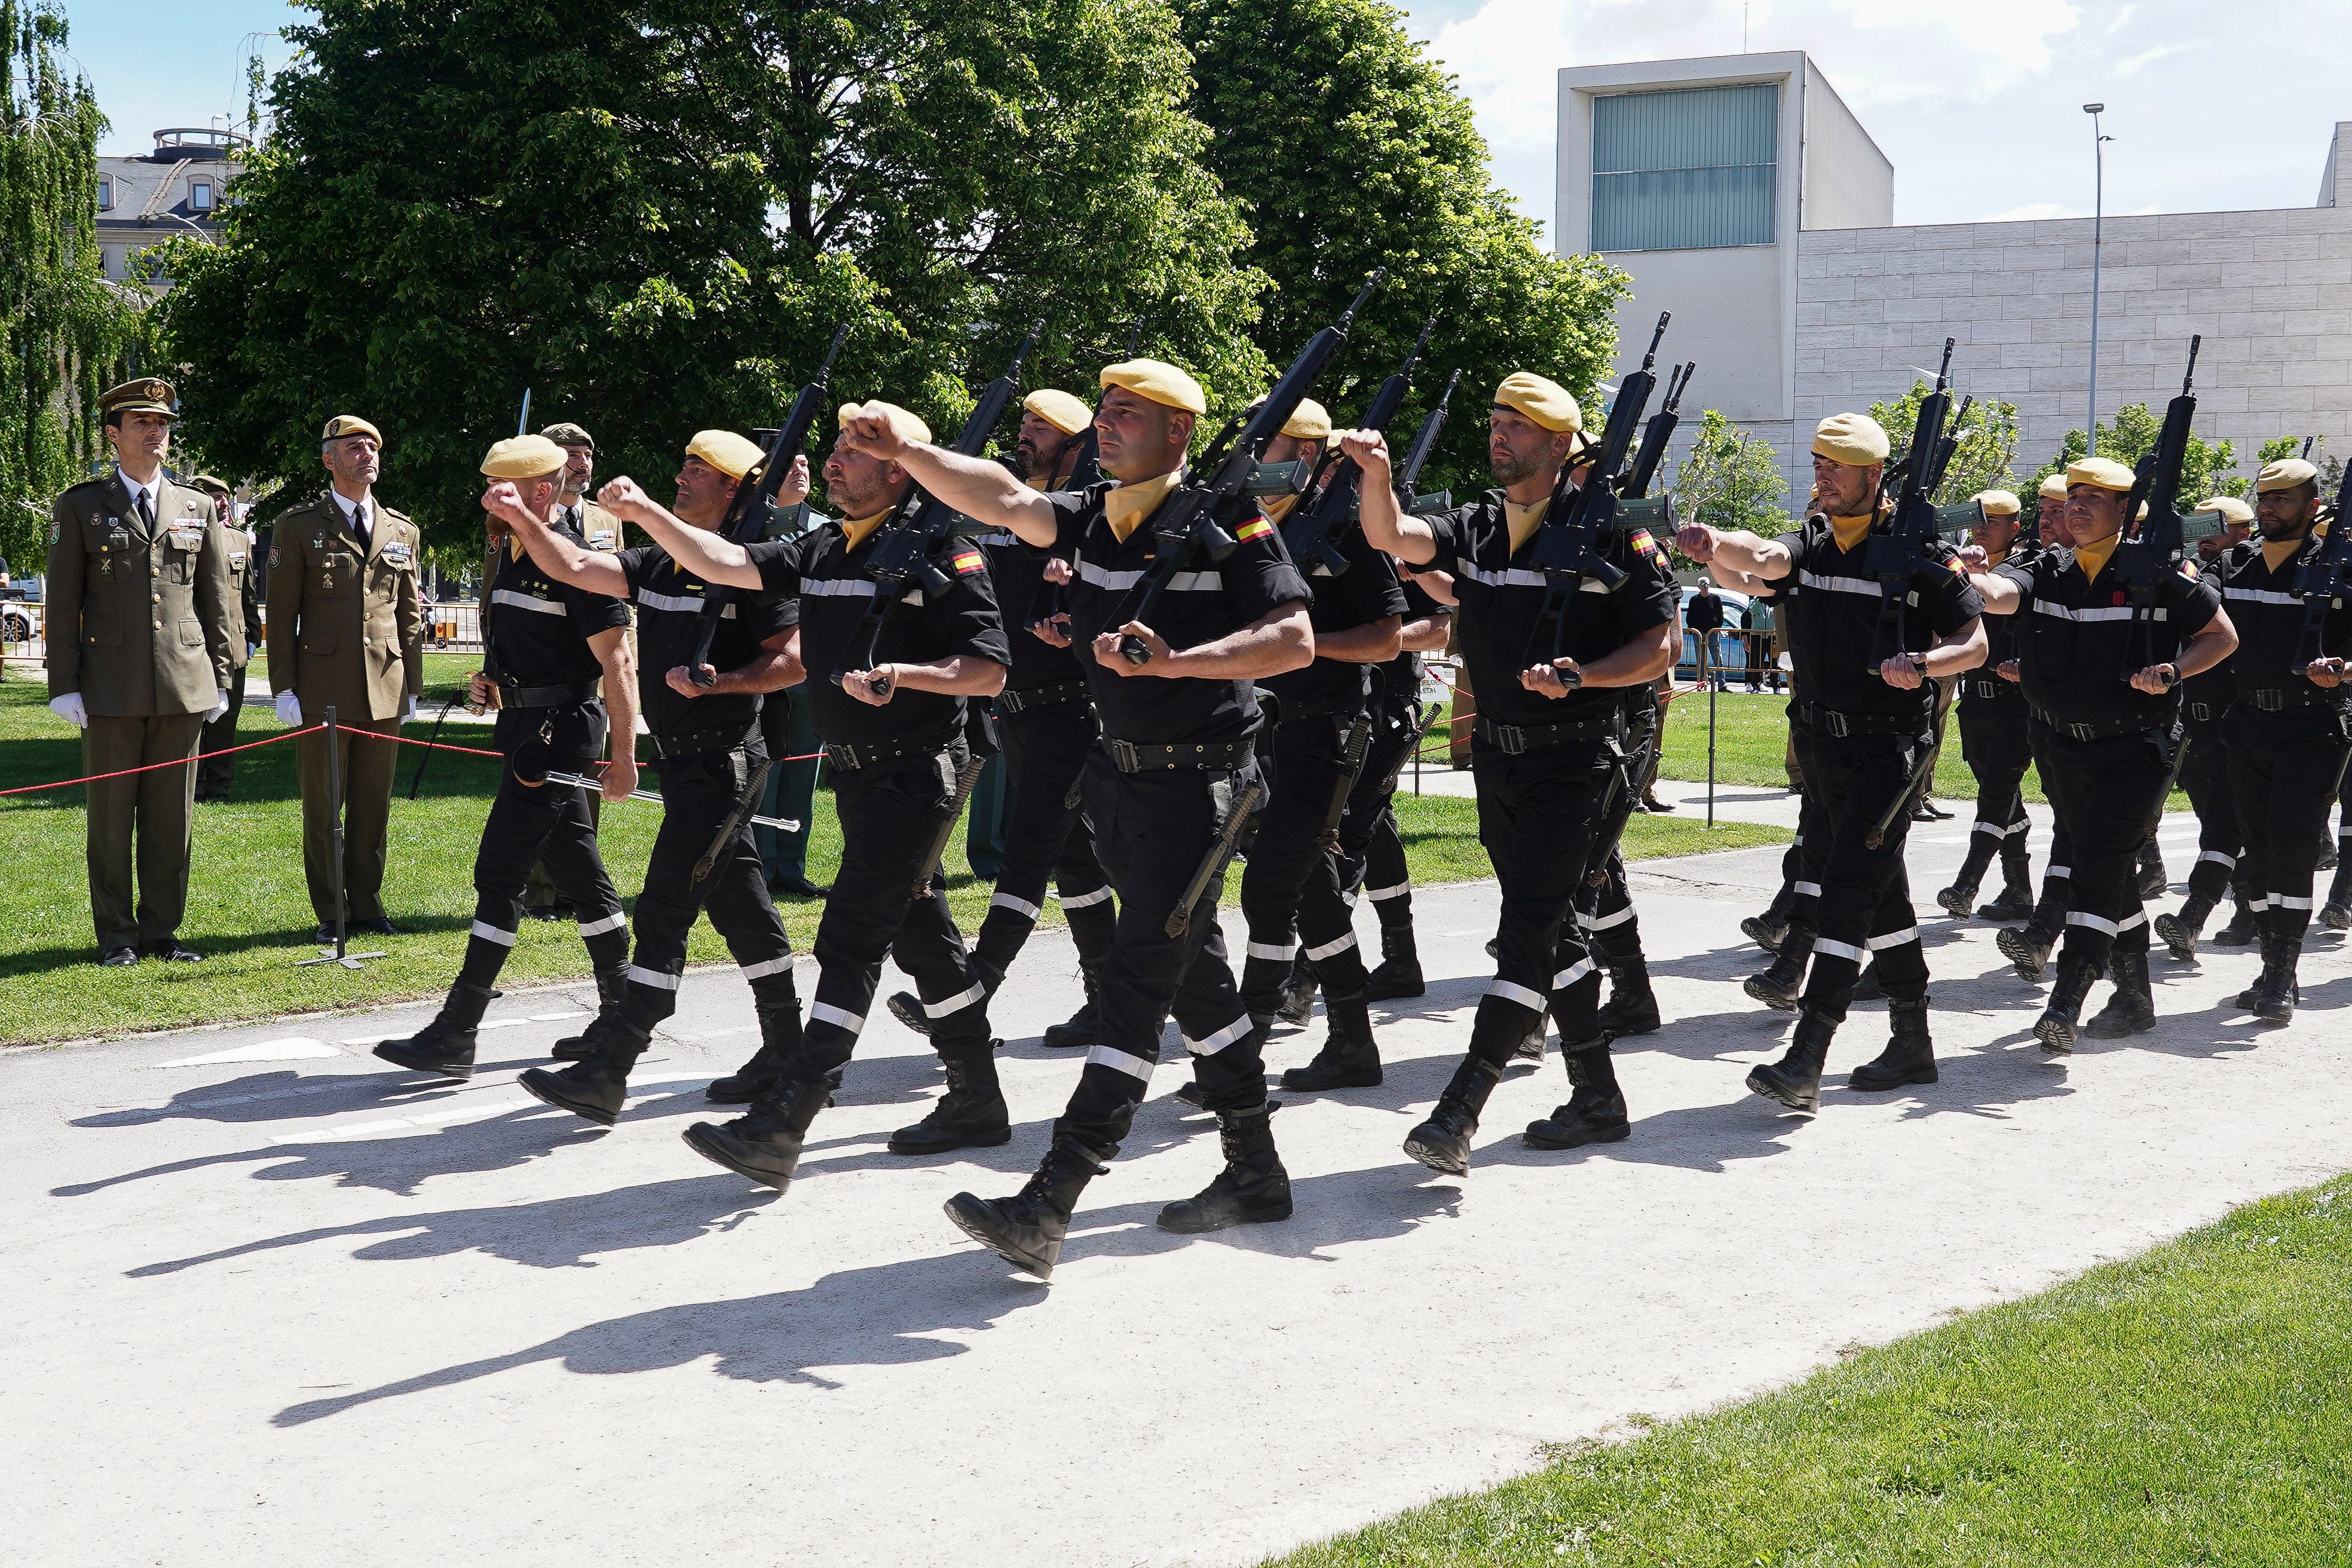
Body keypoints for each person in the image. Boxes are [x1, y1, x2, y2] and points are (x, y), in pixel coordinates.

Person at [853, 357, 1312, 1277]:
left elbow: (1293, 639)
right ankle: (1256, 1171)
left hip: (1197, 789)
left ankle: (1050, 1197)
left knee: (1135, 989)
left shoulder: (1227, 519)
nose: (1106, 425)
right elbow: (1002, 497)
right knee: (1199, 988)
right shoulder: (1095, 512)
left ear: (1179, 433)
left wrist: (1174, 662)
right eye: (1103, 411)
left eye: (1129, 415)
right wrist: (910, 447)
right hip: (1120, 782)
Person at [604, 401, 1016, 1187]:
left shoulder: (945, 552)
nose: (832, 464)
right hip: (859, 773)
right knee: (921, 934)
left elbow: (989, 668)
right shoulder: (824, 546)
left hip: (917, 768)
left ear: (900, 468)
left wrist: (910, 677)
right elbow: (726, 564)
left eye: (852, 454)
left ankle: (787, 1116)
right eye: (834, 451)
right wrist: (648, 513)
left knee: (850, 940)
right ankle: (979, 1098)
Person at [1356, 370, 1679, 1169]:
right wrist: (1376, 480)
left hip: (1577, 761)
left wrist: (1584, 674)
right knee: (1551, 928)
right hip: (1499, 759)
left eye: (1519, 425)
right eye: (1496, 421)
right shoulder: (1478, 526)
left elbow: (1660, 647)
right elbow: (1393, 538)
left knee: (1528, 931)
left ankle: (1458, 1110)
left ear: (1562, 441)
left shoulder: (1616, 536)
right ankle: (1597, 1096)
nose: (1500, 435)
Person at [486, 430, 804, 1116]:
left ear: (735, 490)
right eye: (683, 462)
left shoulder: (753, 569)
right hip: (687, 762)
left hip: (723, 761)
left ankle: (613, 1064)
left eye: (700, 470)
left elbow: (795, 659)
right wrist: (522, 518)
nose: (683, 476)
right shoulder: (662, 562)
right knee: (742, 908)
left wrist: (723, 685)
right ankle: (788, 1047)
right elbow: (574, 566)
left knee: (663, 912)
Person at [1679, 413, 1986, 1110]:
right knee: (1882, 895)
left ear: (1875, 477)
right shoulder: (1813, 539)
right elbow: (1764, 562)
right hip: (1821, 749)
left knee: (1847, 893)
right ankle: (1913, 1041)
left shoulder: (1918, 553)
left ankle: (1807, 1054)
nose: (1821, 476)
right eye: (1818, 463)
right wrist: (1715, 544)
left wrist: (1924, 662)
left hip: (1887, 749)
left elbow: (1975, 644)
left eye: (1836, 467)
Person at [373, 436, 640, 1077]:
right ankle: (623, 1010)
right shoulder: (513, 551)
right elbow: (527, 639)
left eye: (503, 488)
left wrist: (625, 755)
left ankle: (457, 1030)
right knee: (577, 866)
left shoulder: (575, 558)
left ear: (542, 493)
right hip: (526, 726)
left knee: (499, 873)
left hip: (559, 735)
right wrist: (495, 680)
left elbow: (618, 659)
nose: (487, 498)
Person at [1959, 457, 2235, 1051]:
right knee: (2108, 875)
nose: (2078, 505)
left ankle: (2067, 997)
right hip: (2061, 749)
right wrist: (1971, 574)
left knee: (2095, 872)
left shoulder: (2156, 575)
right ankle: (2135, 996)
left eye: (2095, 497)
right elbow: (2002, 595)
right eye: (2074, 494)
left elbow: (2222, 636)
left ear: (2124, 510)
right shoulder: (2049, 568)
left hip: (2133, 749)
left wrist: (2173, 670)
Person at [885, 387, 1116, 1048]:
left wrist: (1080, 600)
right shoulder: (1002, 509)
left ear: (1079, 446)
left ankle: (969, 996)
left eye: (1041, 428)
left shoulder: (1091, 524)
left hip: (1071, 715)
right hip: (1015, 713)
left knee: (1026, 855)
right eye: (1025, 422)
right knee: (1076, 864)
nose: (1026, 435)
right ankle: (1105, 995)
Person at [1230, 397, 1405, 1093]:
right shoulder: (1244, 523)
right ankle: (1354, 1042)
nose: (1250, 455)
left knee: (1271, 884)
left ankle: (1241, 1049)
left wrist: (1303, 650)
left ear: (1304, 455)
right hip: (1261, 730)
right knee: (1315, 889)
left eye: (1264, 444)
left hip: (1324, 728)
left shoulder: (1346, 528)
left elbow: (1388, 638)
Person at [43, 378, 237, 964]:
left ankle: (161, 933)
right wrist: (64, 684)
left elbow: (217, 599)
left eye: (163, 424)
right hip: (109, 685)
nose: (156, 433)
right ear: (113, 433)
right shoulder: (81, 506)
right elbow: (63, 600)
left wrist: (222, 677)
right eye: (143, 423)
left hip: (182, 682)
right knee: (109, 821)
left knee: (170, 819)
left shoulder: (196, 506)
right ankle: (117, 937)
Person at [266, 415, 425, 942]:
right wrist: (284, 688)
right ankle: (331, 910)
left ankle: (367, 901)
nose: (367, 455)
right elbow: (282, 612)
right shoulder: (298, 525)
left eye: (373, 447)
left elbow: (408, 616)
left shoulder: (403, 530)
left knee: (373, 803)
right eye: (354, 448)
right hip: (323, 687)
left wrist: (414, 687)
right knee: (324, 803)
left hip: (385, 683)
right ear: (329, 459)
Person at [2209, 458, 2348, 1021]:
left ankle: (2281, 975)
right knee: (2258, 853)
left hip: (2312, 726)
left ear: (2312, 506)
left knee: (2292, 850)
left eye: (2284, 499)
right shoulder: (2233, 563)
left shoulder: (2337, 568)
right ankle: (2272, 964)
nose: (2269, 508)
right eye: (2264, 499)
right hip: (2247, 725)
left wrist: (2343, 669)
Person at [1345, 558, 1454, 1000]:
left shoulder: (1401, 543)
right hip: (1328, 706)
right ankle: (1401, 960)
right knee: (1372, 828)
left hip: (1385, 710)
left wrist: (1377, 643)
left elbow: (1438, 630)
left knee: (1347, 832)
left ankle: (1305, 975)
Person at [2154, 495, 2259, 957]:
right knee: (2219, 822)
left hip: (2238, 724)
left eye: (2216, 527)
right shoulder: (2194, 575)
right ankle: (2250, 909)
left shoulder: (2249, 575)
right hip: (2193, 723)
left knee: (2228, 825)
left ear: (2243, 532)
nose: (2205, 537)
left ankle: (2194, 913)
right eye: (2199, 527)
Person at [1934, 490, 2039, 921]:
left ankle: (1967, 883)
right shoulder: (1962, 567)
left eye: (1993, 522)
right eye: (1978, 521)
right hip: (1975, 699)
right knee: (2000, 794)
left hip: (2018, 703)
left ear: (2015, 528)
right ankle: (2019, 890)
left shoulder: (2030, 569)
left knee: (1997, 787)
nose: (1982, 529)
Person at [188, 476, 262, 804]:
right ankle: (191, 784)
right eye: (213, 496)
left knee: (226, 720)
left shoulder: (239, 540)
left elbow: (248, 594)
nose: (220, 503)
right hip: (191, 645)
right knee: (191, 720)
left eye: (223, 497)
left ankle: (218, 786)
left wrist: (253, 634)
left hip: (233, 647)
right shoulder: (184, 537)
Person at [1685, 578, 1727, 690]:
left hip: (1712, 633)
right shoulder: (1694, 600)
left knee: (1718, 658)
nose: (1705, 587)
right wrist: (1693, 629)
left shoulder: (1716, 599)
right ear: (1699, 586)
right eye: (1703, 585)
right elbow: (1689, 617)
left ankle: (1722, 684)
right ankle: (1702, 682)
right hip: (1698, 633)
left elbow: (1720, 616)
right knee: (1701, 659)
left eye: (1707, 585)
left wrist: (1717, 628)